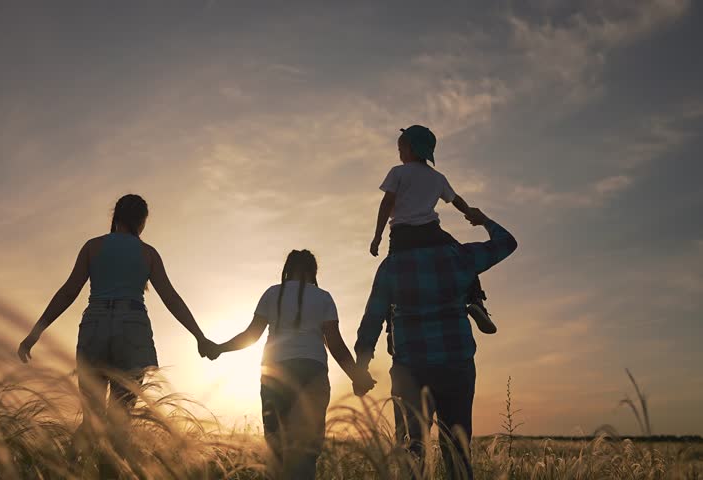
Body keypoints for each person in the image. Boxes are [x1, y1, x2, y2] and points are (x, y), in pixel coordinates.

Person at [16, 194, 217, 431]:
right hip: (132, 327)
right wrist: (199, 337)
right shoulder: (148, 253)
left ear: (116, 217)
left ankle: (70, 466)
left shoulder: (93, 246)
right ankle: (109, 467)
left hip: (95, 324)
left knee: (92, 418)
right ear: (142, 221)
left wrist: (35, 333)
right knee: (119, 421)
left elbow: (68, 292)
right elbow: (171, 298)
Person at [355, 208, 518, 480]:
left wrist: (361, 367)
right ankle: (476, 301)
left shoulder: (392, 266)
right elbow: (507, 243)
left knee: (411, 451)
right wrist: (484, 220)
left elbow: (372, 320)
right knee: (457, 449)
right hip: (456, 364)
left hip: (410, 370)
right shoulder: (458, 256)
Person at [211, 250, 376, 480]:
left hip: (275, 373)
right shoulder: (323, 297)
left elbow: (251, 335)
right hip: (313, 373)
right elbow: (335, 344)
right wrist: (357, 376)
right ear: (312, 272)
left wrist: (219, 348)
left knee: (277, 448)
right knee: (307, 451)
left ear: (288, 270)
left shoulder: (272, 294)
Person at [369, 125, 496, 334]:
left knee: (394, 279)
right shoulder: (437, 177)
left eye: (400, 151)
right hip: (432, 233)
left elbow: (386, 203)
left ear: (409, 149)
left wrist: (377, 237)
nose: (399, 155)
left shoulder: (398, 172)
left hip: (402, 236)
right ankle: (476, 300)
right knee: (463, 258)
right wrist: (470, 213)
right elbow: (455, 200)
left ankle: (392, 327)